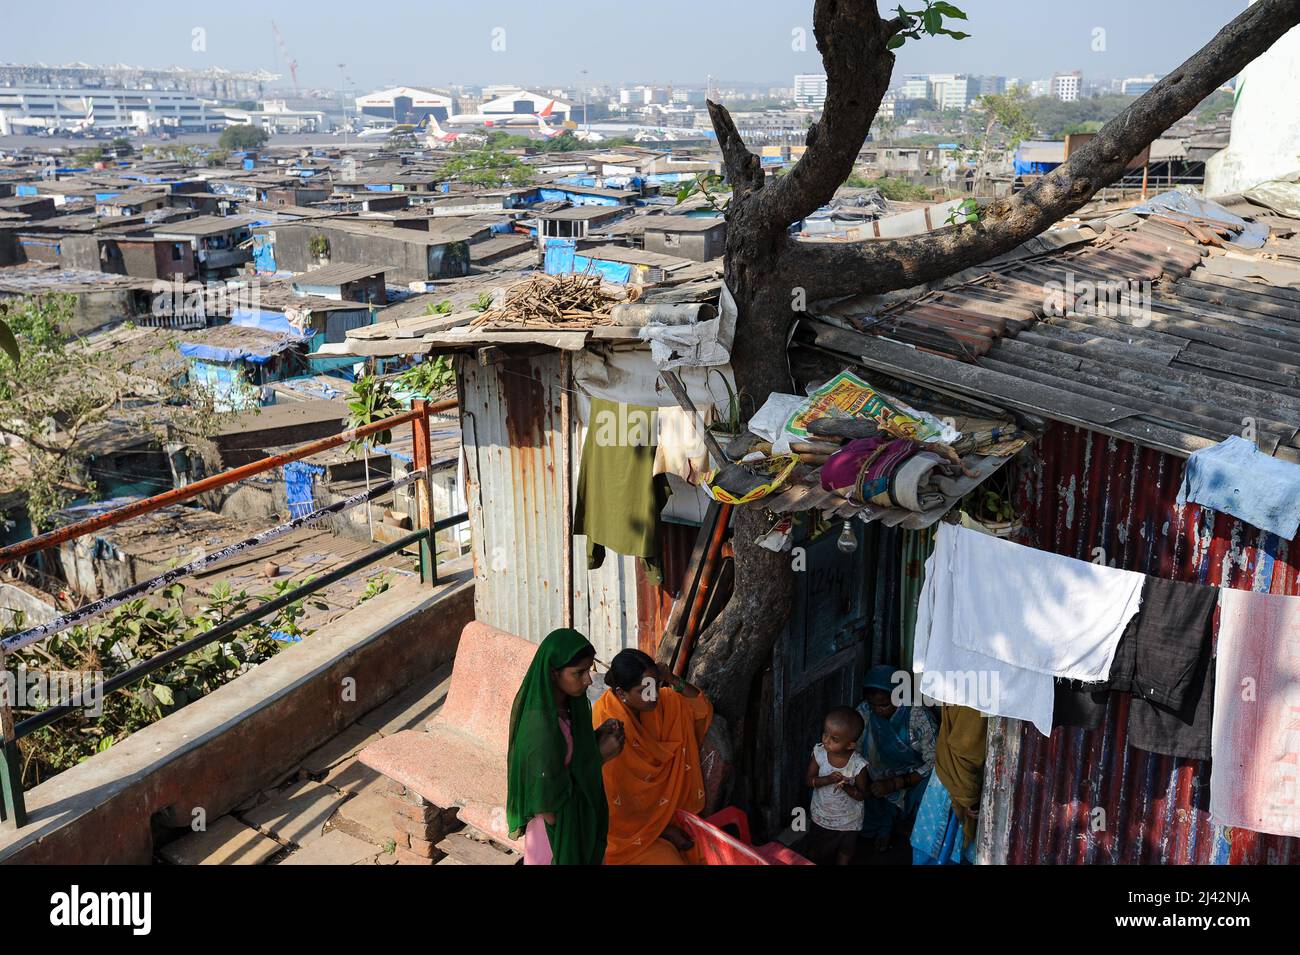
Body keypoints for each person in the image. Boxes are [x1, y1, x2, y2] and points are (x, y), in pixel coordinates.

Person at [507, 628, 626, 865]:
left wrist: (594, 738)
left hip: (575, 827)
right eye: (578, 673)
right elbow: (548, 805)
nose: (588, 680)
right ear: (553, 673)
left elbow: (566, 756)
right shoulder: (540, 727)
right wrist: (598, 758)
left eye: (589, 669)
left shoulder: (567, 708)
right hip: (556, 838)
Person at [591, 648, 713, 865]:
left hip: (664, 818)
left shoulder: (664, 704)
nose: (653, 694)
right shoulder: (607, 725)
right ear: (621, 694)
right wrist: (664, 831)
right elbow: (614, 805)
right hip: (624, 838)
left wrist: (671, 678)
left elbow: (701, 708)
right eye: (644, 689)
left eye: (655, 685)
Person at [855, 665, 937, 852]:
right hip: (876, 777)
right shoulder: (865, 711)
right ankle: (886, 824)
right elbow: (855, 751)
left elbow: (934, 761)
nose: (878, 710)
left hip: (912, 778)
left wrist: (897, 783)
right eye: (873, 704)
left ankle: (903, 827)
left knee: (931, 791)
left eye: (884, 705)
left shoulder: (917, 715)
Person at [911, 704, 987, 865]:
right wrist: (969, 797)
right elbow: (967, 749)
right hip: (955, 784)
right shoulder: (975, 702)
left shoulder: (966, 692)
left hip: (946, 779)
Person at [806, 706, 868, 865]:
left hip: (848, 820)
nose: (826, 740)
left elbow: (862, 795)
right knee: (815, 848)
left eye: (834, 739)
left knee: (845, 850)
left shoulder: (857, 765)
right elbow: (809, 781)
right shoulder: (819, 753)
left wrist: (846, 787)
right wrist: (828, 779)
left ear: (850, 745)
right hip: (822, 815)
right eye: (825, 733)